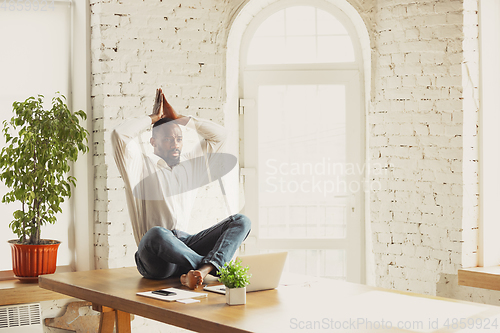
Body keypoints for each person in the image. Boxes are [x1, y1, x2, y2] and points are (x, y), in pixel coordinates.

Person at [111, 88, 251, 289]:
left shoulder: (190, 166)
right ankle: (210, 267)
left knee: (241, 221)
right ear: (153, 142)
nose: (175, 144)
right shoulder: (139, 167)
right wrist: (154, 118)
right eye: (168, 139)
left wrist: (181, 119)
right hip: (155, 257)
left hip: (183, 248)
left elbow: (220, 136)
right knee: (157, 233)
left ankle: (200, 271)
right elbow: (119, 135)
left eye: (179, 138)